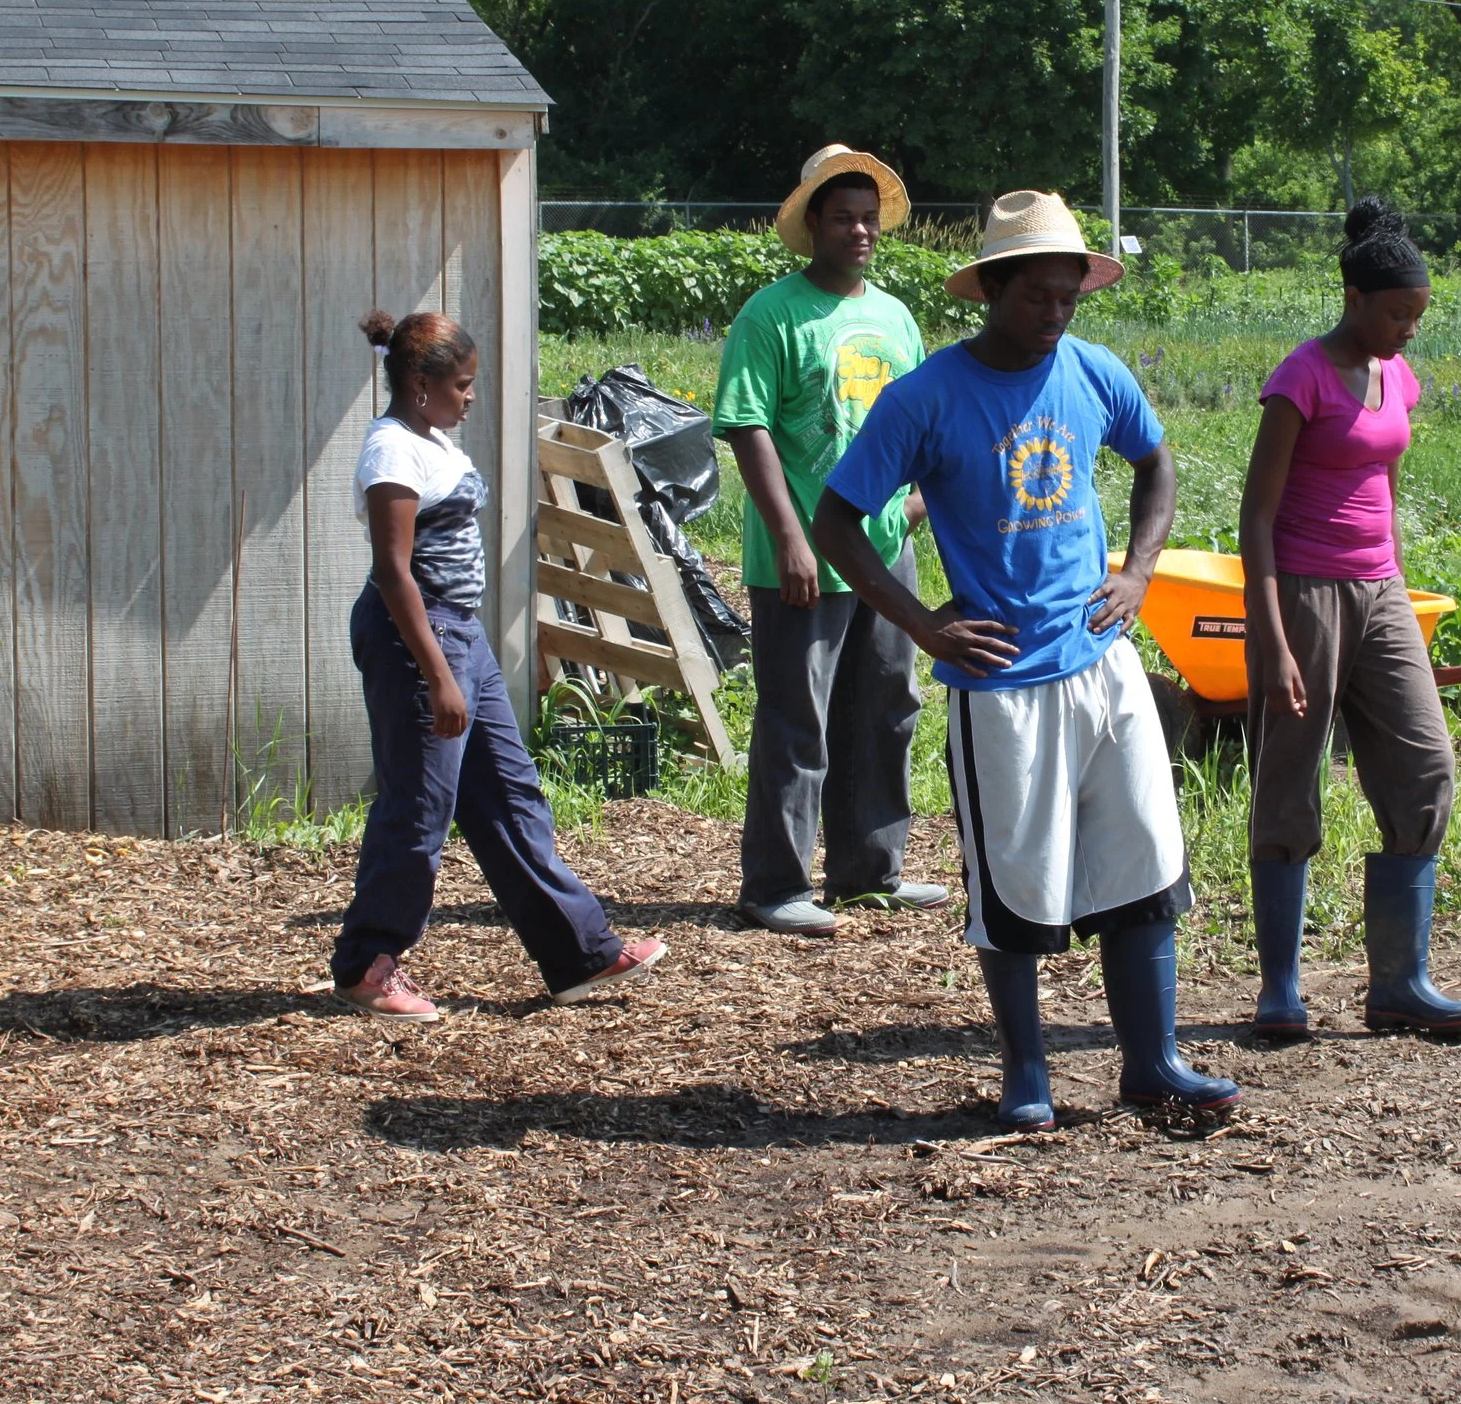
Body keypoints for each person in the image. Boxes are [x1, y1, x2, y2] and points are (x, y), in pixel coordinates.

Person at [812, 191, 1239, 1130]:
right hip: (1001, 685)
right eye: (1037, 295)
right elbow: (837, 518)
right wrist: (921, 622)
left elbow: (1157, 464)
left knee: (1142, 866)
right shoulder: (924, 398)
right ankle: (1026, 1072)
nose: (1055, 312)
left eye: (1069, 296)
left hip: (1101, 663)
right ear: (993, 290)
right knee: (1013, 884)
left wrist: (1139, 571)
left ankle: (1153, 1062)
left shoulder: (1093, 372)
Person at [331, 309, 666, 1021]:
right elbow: (394, 574)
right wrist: (438, 676)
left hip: (461, 636)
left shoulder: (429, 438)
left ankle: (581, 954)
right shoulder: (391, 452)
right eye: (460, 384)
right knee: (419, 807)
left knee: (511, 797)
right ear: (420, 385)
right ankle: (367, 964)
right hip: (415, 639)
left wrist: (461, 662)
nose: (471, 396)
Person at [1237, 197, 1461, 1039]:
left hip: (1379, 592)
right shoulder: (1299, 379)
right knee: (1290, 779)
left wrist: (1401, 593)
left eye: (1418, 314)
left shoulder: (1397, 376)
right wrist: (1270, 639)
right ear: (1353, 297)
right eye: (1397, 312)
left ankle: (1400, 983)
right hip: (1303, 591)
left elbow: (1385, 491)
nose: (1410, 328)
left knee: (1426, 766)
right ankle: (1280, 989)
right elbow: (1256, 518)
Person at [714, 144, 947, 936]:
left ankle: (868, 870)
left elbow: (922, 421)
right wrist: (789, 535)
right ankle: (775, 882)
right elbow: (747, 426)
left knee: (886, 705)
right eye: (843, 217)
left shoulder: (893, 317)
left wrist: (915, 507)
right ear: (811, 223)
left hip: (883, 550)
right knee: (796, 717)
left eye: (868, 219)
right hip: (804, 556)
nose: (859, 231)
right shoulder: (770, 314)